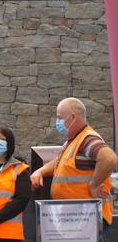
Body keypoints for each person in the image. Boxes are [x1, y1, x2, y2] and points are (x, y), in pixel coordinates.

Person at [31, 97, 116, 229]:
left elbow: (109, 159)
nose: (57, 122)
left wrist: (94, 184)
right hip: (76, 216)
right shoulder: (74, 140)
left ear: (72, 117)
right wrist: (40, 171)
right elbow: (59, 163)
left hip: (87, 216)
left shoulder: (87, 139)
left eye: (60, 117)